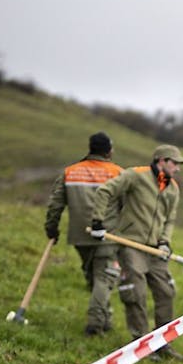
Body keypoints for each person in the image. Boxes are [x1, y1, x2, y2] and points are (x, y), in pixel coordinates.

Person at [89, 144, 183, 361]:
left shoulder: (173, 189)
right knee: (136, 292)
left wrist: (165, 241)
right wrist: (97, 220)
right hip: (130, 245)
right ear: (161, 161)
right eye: (175, 163)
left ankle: (162, 343)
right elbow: (105, 191)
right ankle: (141, 345)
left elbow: (169, 219)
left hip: (156, 249)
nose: (178, 168)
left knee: (166, 292)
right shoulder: (135, 175)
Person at [44, 131, 123, 336]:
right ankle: (95, 325)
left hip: (79, 236)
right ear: (108, 151)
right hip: (108, 235)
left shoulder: (70, 172)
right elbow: (128, 205)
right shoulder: (118, 173)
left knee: (94, 277)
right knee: (104, 278)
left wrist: (52, 227)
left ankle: (105, 318)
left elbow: (56, 204)